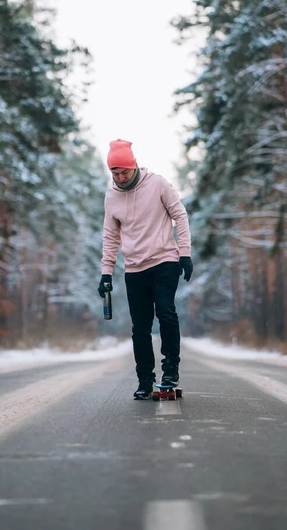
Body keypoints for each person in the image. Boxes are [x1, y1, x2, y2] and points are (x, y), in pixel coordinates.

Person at [97, 139, 193, 400]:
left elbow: (180, 215)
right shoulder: (111, 196)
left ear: (134, 164)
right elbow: (110, 237)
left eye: (124, 171)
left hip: (164, 261)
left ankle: (170, 369)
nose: (120, 177)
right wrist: (106, 273)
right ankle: (144, 379)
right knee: (140, 327)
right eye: (115, 173)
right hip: (134, 269)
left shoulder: (158, 184)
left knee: (166, 311)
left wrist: (185, 254)